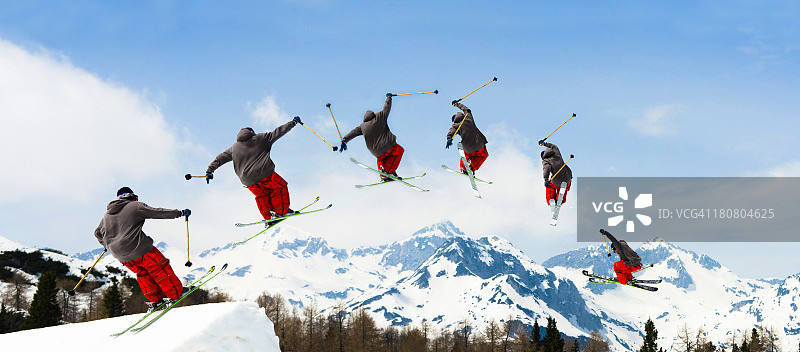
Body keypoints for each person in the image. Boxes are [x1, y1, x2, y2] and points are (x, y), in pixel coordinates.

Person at [93, 187, 190, 310]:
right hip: (139, 248)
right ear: (132, 196)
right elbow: (156, 212)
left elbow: (97, 233)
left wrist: (107, 245)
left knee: (143, 273)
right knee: (159, 267)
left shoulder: (107, 215)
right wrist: (179, 213)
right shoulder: (135, 206)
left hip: (121, 255)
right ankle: (175, 293)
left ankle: (156, 299)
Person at [205, 117, 302, 225]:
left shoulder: (234, 147)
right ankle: (281, 212)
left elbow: (220, 158)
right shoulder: (260, 138)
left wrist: (209, 171)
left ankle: (269, 217)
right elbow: (278, 132)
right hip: (263, 173)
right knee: (280, 186)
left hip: (247, 180)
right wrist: (293, 122)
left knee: (263, 195)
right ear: (252, 133)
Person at [339, 94, 404, 182]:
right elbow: (386, 108)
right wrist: (388, 98)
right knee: (399, 150)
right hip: (388, 146)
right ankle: (389, 172)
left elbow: (353, 132)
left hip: (375, 152)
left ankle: (384, 174)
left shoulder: (362, 126)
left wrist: (344, 141)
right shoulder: (380, 116)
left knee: (382, 158)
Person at [446, 100, 489, 174]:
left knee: (465, 155)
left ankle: (464, 168)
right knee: (483, 155)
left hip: (468, 148)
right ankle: (472, 167)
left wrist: (449, 138)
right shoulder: (468, 117)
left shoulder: (456, 125)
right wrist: (457, 104)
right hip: (479, 145)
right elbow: (467, 109)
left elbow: (451, 131)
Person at [539, 140, 572, 206]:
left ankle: (551, 201)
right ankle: (560, 199)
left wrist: (546, 179)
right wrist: (544, 144)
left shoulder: (545, 160)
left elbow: (546, 169)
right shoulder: (556, 152)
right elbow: (553, 146)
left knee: (550, 186)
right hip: (568, 177)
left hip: (557, 180)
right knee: (564, 186)